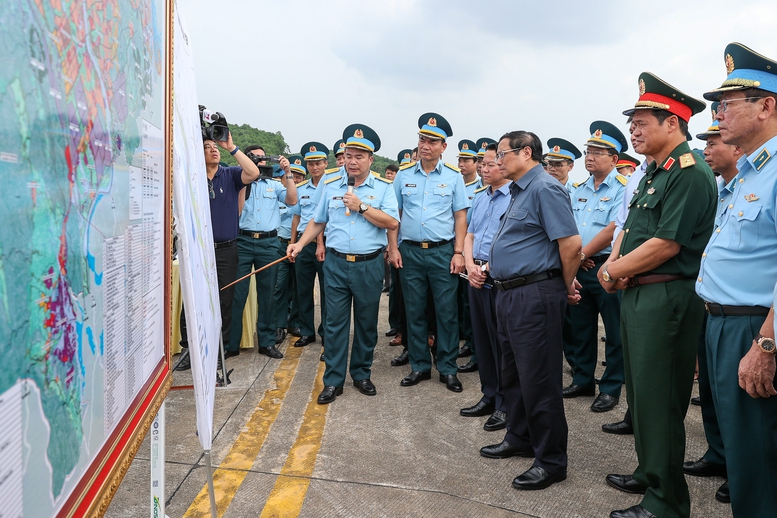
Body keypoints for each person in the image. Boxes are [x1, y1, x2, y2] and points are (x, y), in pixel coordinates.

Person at [600, 72, 715, 518]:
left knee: (662, 399)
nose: (634, 129)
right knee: (642, 394)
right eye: (632, 122)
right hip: (639, 292)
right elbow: (630, 230)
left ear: (674, 122)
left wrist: (610, 272)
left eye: (643, 121)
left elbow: (667, 244)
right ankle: (650, 472)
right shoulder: (654, 171)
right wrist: (619, 268)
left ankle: (666, 503)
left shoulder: (689, 171)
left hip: (667, 297)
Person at [696, 42, 777, 517]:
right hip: (725, 322)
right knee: (742, 451)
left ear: (766, 105)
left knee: (756, 455)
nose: (718, 115)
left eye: (727, 105)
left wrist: (765, 344)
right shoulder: (748, 171)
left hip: (754, 327)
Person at [479, 130, 581, 492]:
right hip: (508, 294)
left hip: (534, 295)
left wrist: (563, 284)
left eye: (503, 154)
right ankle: (519, 436)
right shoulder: (521, 190)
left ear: (526, 153)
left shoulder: (545, 188)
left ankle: (551, 460)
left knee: (539, 379)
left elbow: (570, 244)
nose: (497, 160)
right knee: (514, 374)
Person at [287, 124, 399, 404]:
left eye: (359, 156)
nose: (352, 161)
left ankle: (361, 373)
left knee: (365, 323)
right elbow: (317, 220)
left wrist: (361, 206)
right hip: (336, 264)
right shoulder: (329, 183)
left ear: (371, 160)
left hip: (369, 264)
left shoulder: (383, 187)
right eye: (349, 155)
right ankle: (332, 380)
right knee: (335, 324)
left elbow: (392, 222)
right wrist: (299, 245)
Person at [680, 100, 740, 504]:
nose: (706, 148)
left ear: (734, 148)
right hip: (710, 305)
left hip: (745, 315)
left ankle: (742, 467)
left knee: (742, 403)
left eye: (713, 141)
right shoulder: (721, 188)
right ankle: (719, 454)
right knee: (717, 394)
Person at [387, 113, 470, 393]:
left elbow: (460, 216)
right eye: (422, 139)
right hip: (409, 252)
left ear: (443, 147)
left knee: (446, 312)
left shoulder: (453, 177)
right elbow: (394, 215)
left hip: (442, 252)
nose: (426, 145)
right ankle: (420, 366)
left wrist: (458, 252)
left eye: (433, 141)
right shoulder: (403, 175)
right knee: (414, 310)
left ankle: (447, 368)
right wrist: (393, 247)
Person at [176, 131, 261, 371]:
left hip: (226, 250)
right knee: (191, 300)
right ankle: (189, 350)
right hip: (197, 250)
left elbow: (253, 172)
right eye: (207, 146)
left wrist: (231, 147)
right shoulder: (191, 177)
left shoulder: (231, 174)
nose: (213, 149)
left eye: (215, 146)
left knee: (224, 300)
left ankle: (219, 350)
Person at [562, 122, 627, 413]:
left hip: (605, 266)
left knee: (614, 331)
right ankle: (582, 379)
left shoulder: (622, 189)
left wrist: (580, 254)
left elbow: (613, 228)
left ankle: (611, 387)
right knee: (581, 327)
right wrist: (575, 260)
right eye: (589, 151)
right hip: (580, 268)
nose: (590, 156)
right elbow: (569, 226)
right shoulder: (578, 189)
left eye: (598, 152)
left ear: (614, 159)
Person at [460, 143, 511, 431]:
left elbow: (511, 242)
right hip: (475, 273)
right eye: (482, 163)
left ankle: (505, 403)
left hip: (498, 276)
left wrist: (485, 268)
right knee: (482, 340)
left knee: (501, 343)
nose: (483, 168)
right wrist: (469, 265)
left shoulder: (515, 197)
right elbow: (470, 234)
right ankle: (489, 394)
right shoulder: (481, 197)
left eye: (490, 163)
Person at [228, 147, 296, 359]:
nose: (258, 160)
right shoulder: (236, 181)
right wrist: (244, 178)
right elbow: (235, 209)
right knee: (237, 294)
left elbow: (292, 200)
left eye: (261, 157)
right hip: (242, 241)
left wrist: (288, 173)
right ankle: (231, 343)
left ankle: (266, 342)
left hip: (268, 243)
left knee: (268, 295)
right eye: (253, 157)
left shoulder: (274, 185)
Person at [290, 143, 330, 349]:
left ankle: (326, 332)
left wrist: (320, 242)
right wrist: (293, 244)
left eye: (318, 163)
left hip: (326, 246)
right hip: (304, 246)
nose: (314, 167)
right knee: (303, 290)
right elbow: (296, 218)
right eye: (310, 164)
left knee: (327, 292)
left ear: (326, 164)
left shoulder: (332, 186)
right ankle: (307, 331)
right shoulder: (300, 189)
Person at [456, 139, 481, 363]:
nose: (462, 164)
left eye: (467, 160)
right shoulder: (455, 184)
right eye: (460, 160)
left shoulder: (481, 188)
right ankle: (468, 341)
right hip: (461, 249)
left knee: (473, 301)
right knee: (463, 301)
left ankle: (475, 345)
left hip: (475, 252)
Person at [273, 163, 303, 345]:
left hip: (300, 246)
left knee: (299, 288)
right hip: (280, 245)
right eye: (293, 176)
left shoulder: (307, 196)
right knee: (280, 287)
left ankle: (295, 323)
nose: (297, 179)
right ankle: (279, 325)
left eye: (300, 176)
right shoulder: (277, 196)